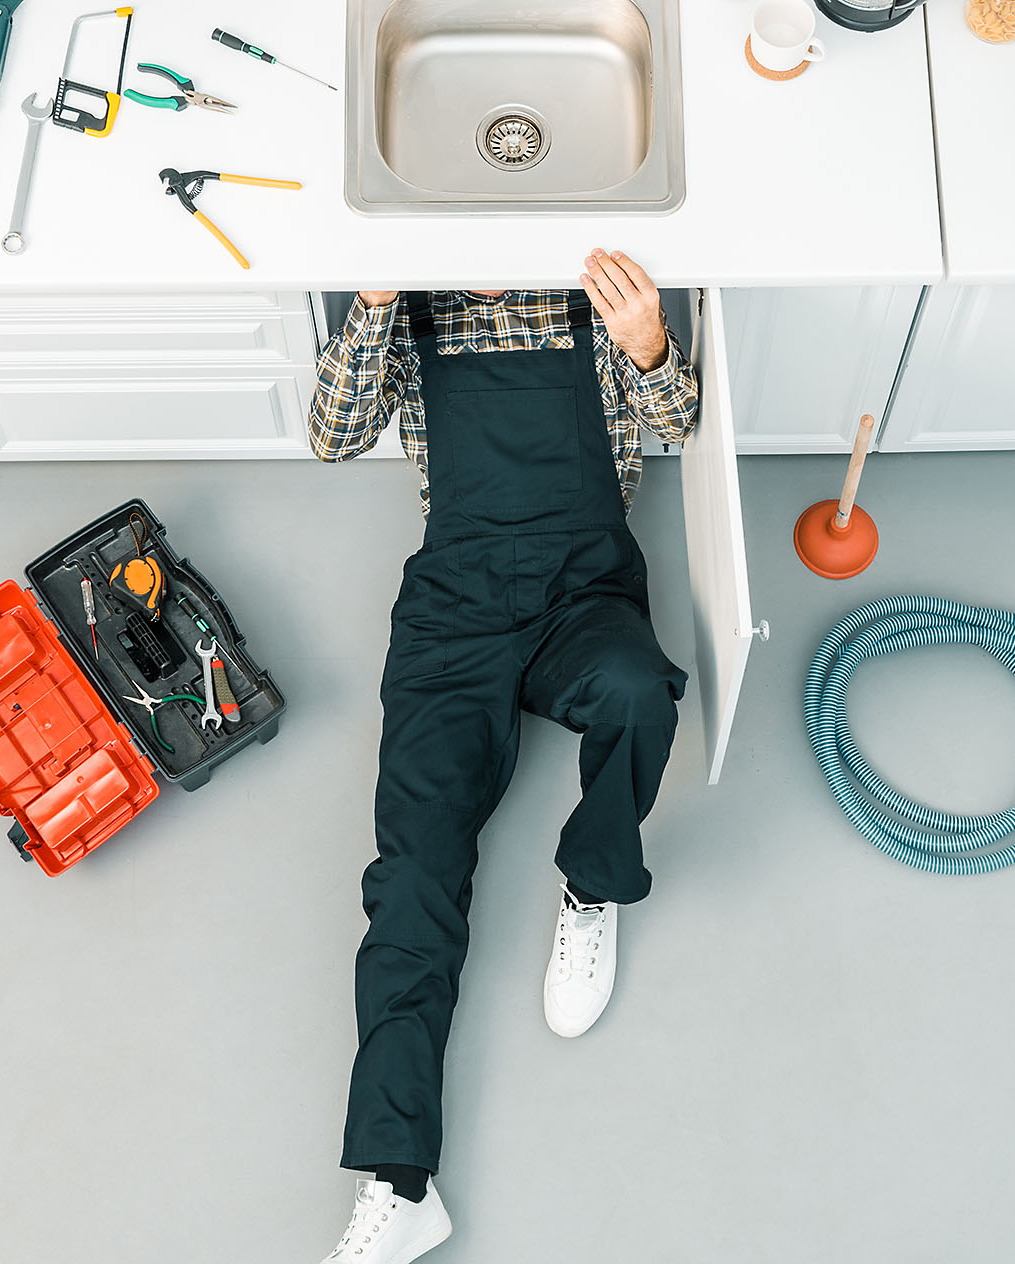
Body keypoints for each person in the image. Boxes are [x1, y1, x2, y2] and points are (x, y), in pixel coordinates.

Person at [306, 250, 701, 1263]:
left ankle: (591, 883)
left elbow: (679, 425)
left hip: (583, 589)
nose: (477, 271)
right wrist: (379, 298)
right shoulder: (411, 309)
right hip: (455, 607)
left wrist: (648, 342)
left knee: (635, 689)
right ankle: (400, 1187)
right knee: (412, 875)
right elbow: (331, 435)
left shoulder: (592, 291)